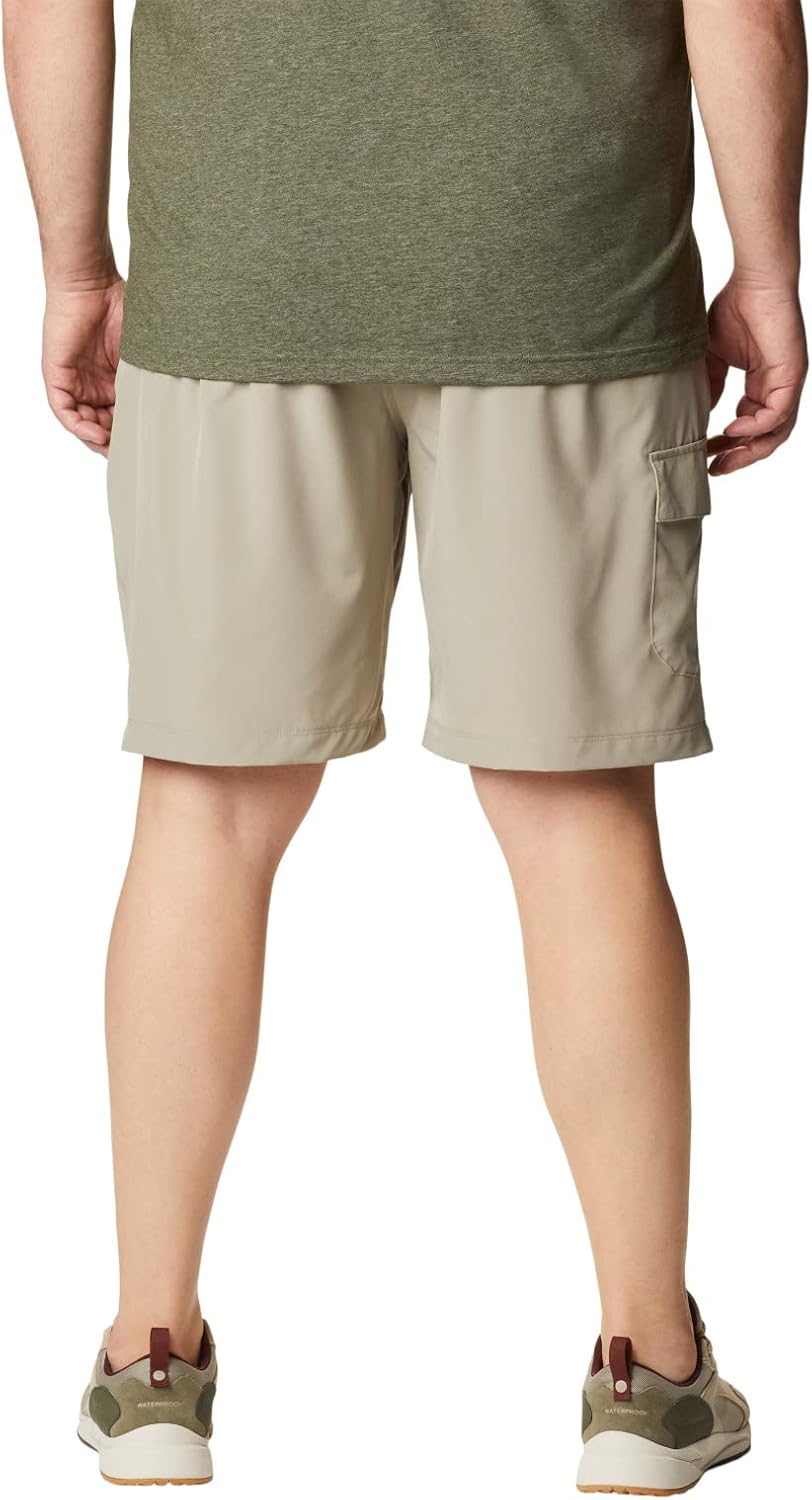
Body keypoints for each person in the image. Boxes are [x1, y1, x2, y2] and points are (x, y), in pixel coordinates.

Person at [4, 0, 807, 1491]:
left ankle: (149, 1360)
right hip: (563, 278)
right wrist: (769, 264)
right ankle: (648, 1376)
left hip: (239, 273)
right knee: (576, 817)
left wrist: (72, 264)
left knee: (206, 810)